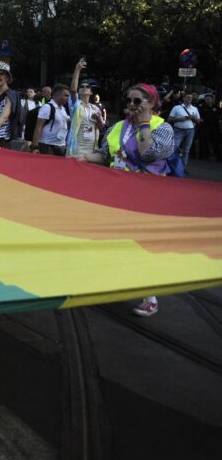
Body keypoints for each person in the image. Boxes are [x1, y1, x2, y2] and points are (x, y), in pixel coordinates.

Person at [72, 83, 175, 317]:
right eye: (129, 100)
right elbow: (106, 155)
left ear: (151, 103)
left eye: (138, 101)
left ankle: (150, 296)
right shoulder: (118, 127)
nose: (131, 105)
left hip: (147, 198)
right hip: (115, 194)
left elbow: (149, 153)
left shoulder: (163, 128)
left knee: (142, 245)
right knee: (111, 239)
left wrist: (145, 123)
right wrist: (84, 158)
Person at [66, 58, 106, 157]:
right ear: (79, 90)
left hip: (92, 148)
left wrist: (98, 119)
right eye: (82, 86)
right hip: (76, 147)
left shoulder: (95, 108)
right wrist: (77, 70)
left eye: (87, 87)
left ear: (91, 92)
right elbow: (73, 90)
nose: (84, 88)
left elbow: (102, 129)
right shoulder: (75, 105)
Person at [31, 84, 70, 156]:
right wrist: (35, 147)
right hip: (47, 146)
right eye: (66, 95)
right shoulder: (47, 107)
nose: (68, 98)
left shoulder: (63, 109)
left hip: (61, 145)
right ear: (57, 95)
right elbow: (38, 127)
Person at [168, 90, 201, 165]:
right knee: (174, 147)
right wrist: (180, 119)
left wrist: (193, 117)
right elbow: (169, 119)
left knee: (186, 150)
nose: (190, 99)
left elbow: (198, 122)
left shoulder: (194, 109)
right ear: (183, 98)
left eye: (191, 98)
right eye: (188, 97)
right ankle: (171, 164)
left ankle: (182, 166)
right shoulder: (176, 108)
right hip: (178, 130)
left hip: (190, 130)